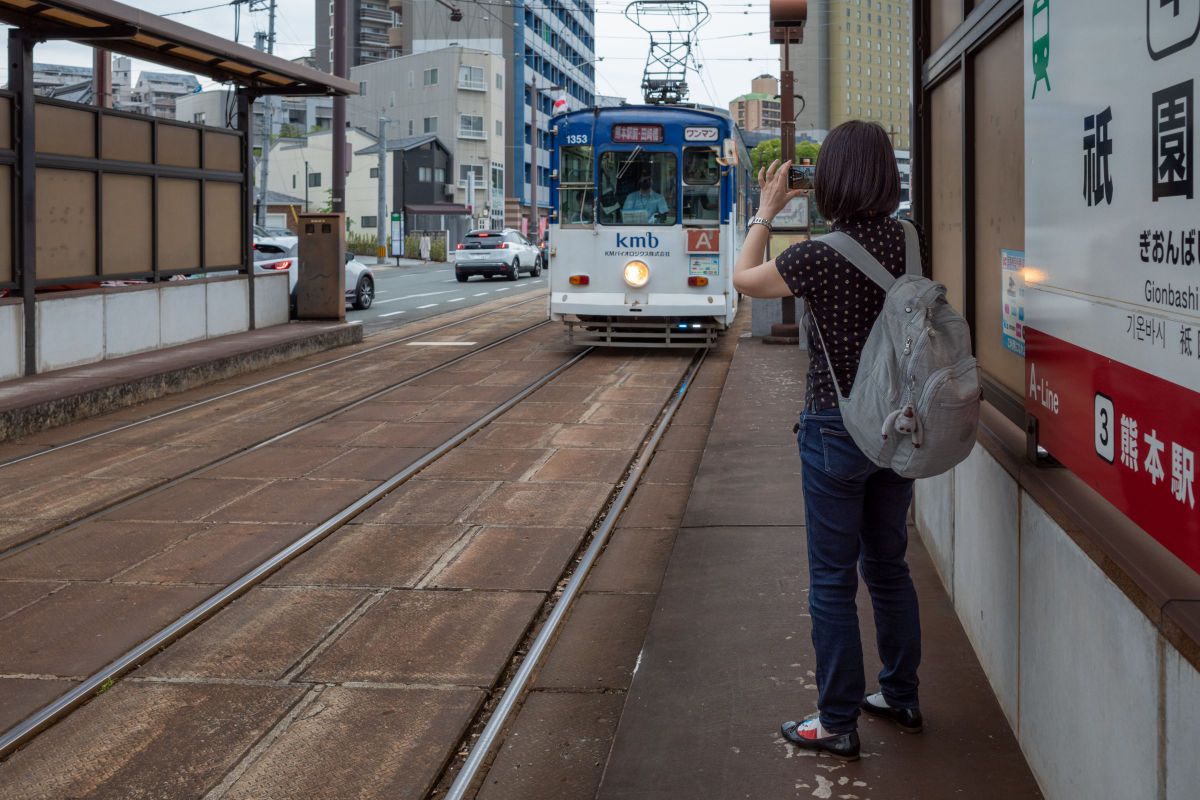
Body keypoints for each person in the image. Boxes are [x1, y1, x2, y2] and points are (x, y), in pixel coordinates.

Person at [732, 120, 927, 762]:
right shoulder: (909, 241)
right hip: (897, 430)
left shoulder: (817, 254)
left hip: (835, 432)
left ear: (832, 179)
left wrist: (766, 211)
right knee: (889, 567)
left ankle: (837, 721)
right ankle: (899, 695)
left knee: (832, 580)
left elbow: (745, 278)